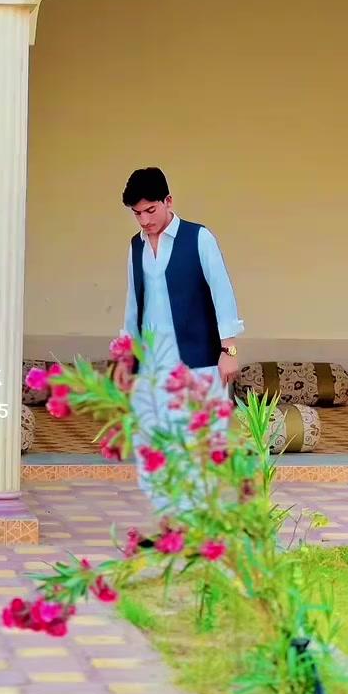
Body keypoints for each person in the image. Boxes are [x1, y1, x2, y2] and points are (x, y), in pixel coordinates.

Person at [115, 166, 244, 510]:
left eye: (150, 210)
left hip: (197, 360)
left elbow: (222, 292)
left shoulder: (199, 238)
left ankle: (202, 518)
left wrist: (229, 349)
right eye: (137, 214)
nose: (144, 220)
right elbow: (133, 303)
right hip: (152, 364)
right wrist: (126, 356)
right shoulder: (136, 246)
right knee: (155, 444)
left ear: (168, 201)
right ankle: (169, 518)